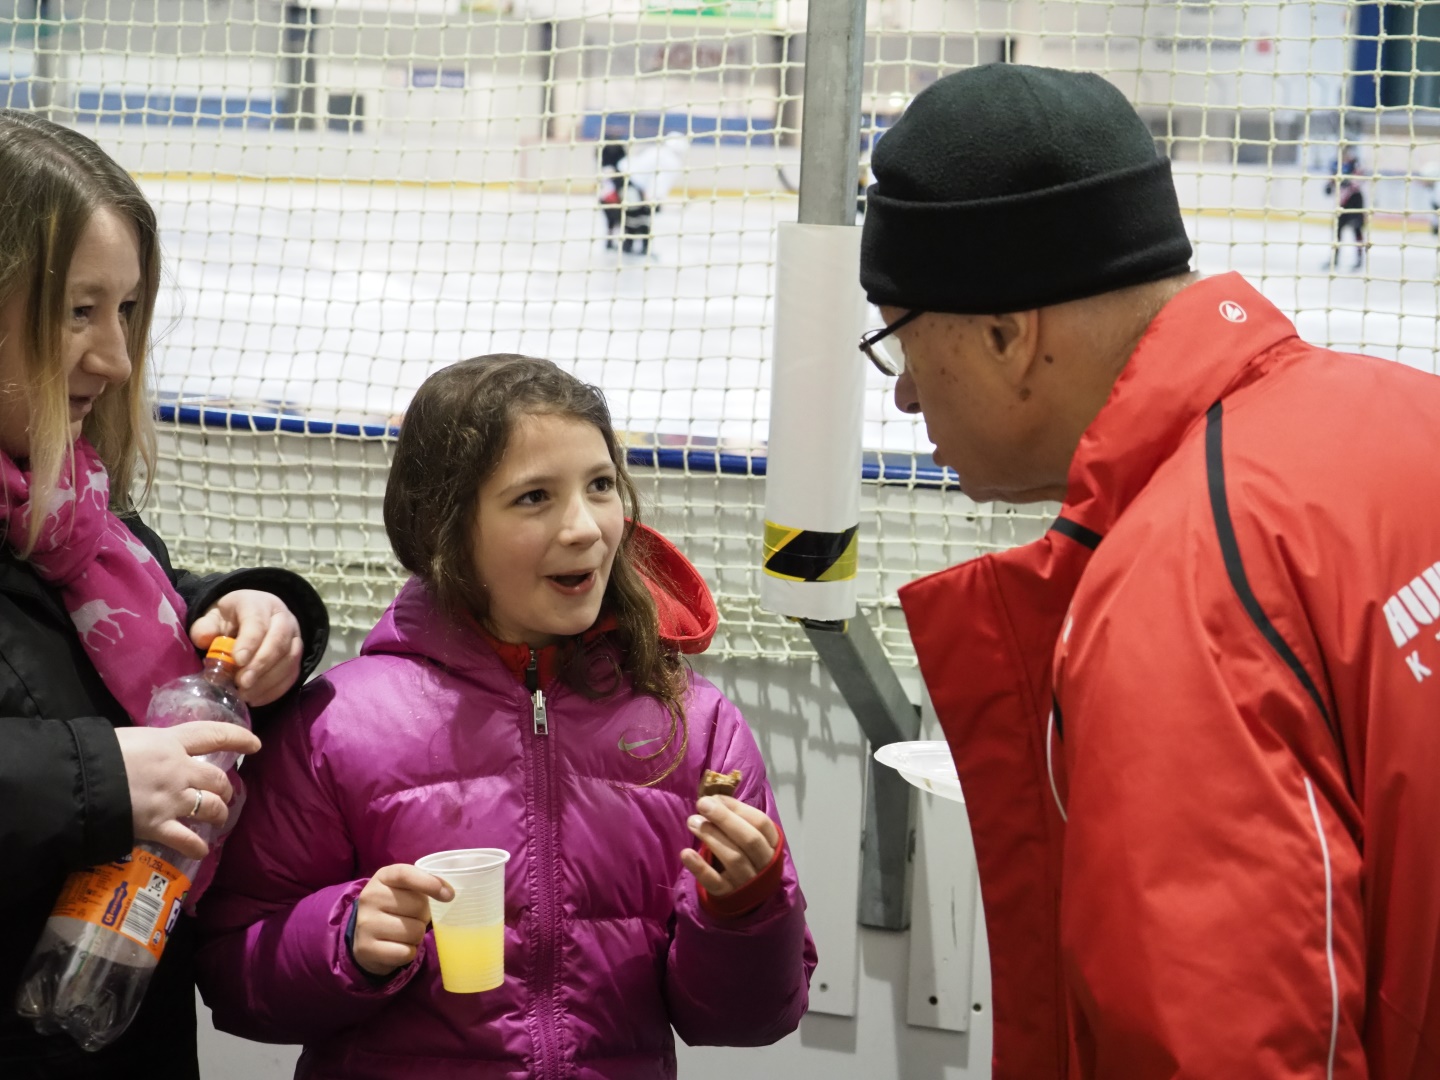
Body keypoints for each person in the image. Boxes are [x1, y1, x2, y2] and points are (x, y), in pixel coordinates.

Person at [858, 64, 1440, 1079]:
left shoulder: (1178, 591)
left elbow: (1228, 1046)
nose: (905, 395)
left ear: (1007, 333)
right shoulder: (1405, 413)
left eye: (901, 337)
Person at [197, 354, 814, 1077]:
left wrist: (743, 911)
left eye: (601, 486)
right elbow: (233, 980)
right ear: (447, 529)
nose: (586, 528)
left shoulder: (694, 728)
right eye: (533, 498)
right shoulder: (338, 726)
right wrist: (344, 941)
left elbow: (749, 1020)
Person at [0, 109, 329, 1078]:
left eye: (126, 311)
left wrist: (261, 613)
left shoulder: (67, 507)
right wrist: (98, 777)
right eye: (75, 311)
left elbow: (136, 623)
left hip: (106, 1024)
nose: (114, 359)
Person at [1324, 146, 1369, 270]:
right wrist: (1329, 185)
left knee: (1357, 230)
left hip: (1355, 200)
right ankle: (1335, 259)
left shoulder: (1355, 164)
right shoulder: (1335, 164)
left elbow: (1359, 179)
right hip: (1341, 202)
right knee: (1337, 230)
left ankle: (1359, 259)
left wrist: (1348, 182)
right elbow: (1332, 180)